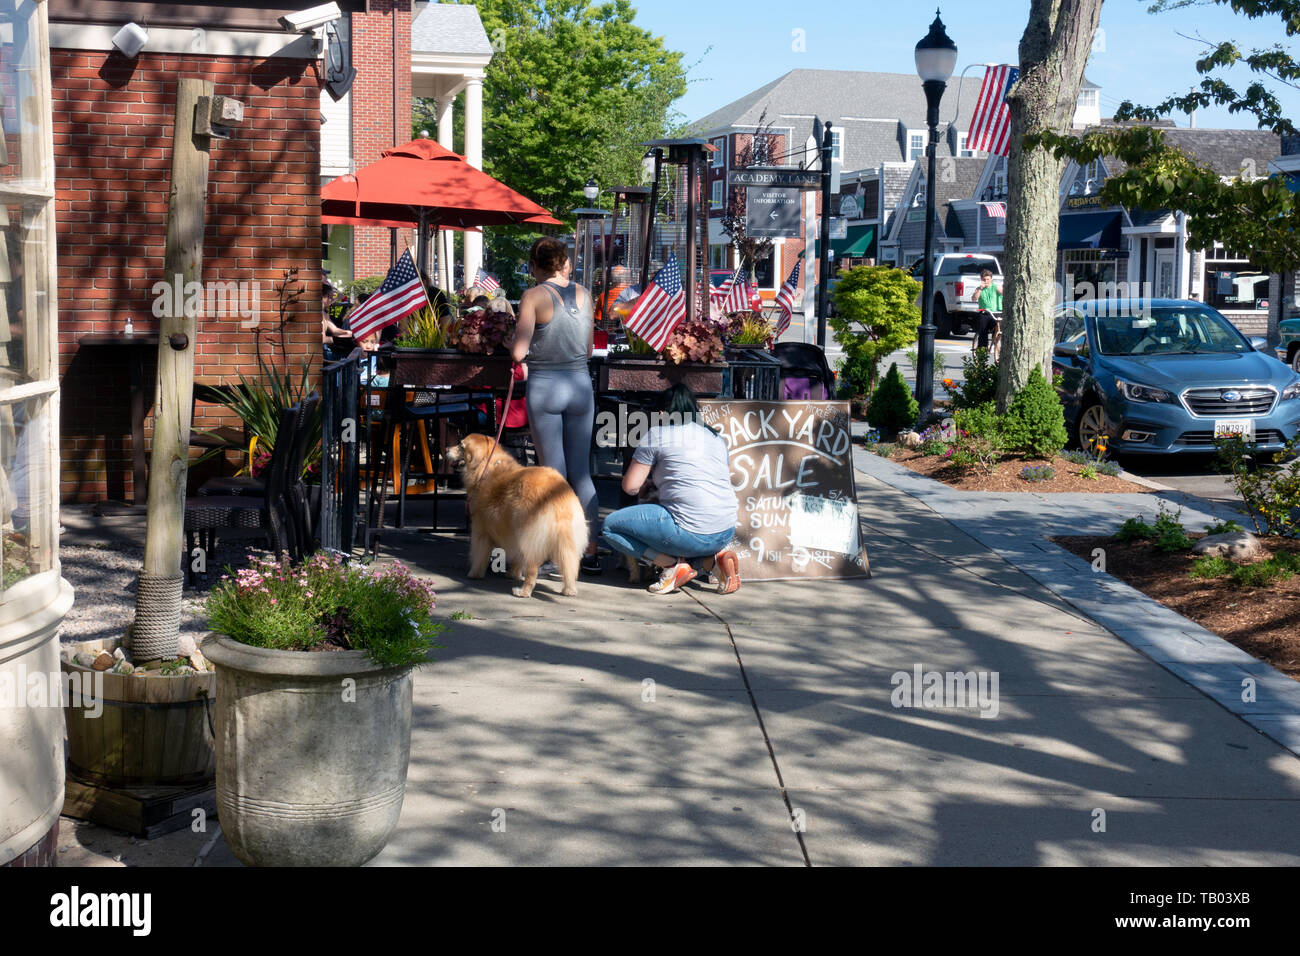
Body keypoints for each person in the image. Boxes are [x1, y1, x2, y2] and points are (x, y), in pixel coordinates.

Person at [511, 236, 601, 574]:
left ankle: (556, 551)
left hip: (546, 386)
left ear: (534, 266)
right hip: (579, 384)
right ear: (563, 262)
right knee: (581, 471)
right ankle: (589, 549)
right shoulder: (585, 294)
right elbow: (590, 349)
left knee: (554, 473)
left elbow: (519, 352)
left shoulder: (533, 296)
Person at [602, 385, 741, 595]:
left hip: (688, 530)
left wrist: (649, 482)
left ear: (663, 412)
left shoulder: (657, 434)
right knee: (688, 530)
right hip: (725, 530)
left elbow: (630, 487)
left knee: (611, 527)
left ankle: (669, 565)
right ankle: (712, 561)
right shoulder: (715, 438)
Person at [969, 269, 1002, 354]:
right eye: (984, 279)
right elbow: (974, 298)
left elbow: (1004, 293)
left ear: (991, 279)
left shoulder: (995, 287)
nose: (986, 281)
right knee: (983, 329)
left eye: (988, 279)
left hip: (995, 313)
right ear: (981, 279)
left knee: (1000, 328)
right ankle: (982, 350)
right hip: (984, 312)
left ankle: (998, 345)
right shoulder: (979, 289)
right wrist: (980, 289)